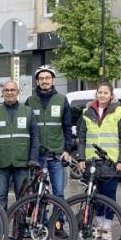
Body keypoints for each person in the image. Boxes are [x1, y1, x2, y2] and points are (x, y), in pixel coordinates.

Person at [75, 83, 121, 240]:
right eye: (100, 92)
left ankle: (107, 227)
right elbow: (82, 138)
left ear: (111, 95)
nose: (103, 95)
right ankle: (99, 226)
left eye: (106, 92)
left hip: (111, 161)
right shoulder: (87, 112)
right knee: (95, 195)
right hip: (92, 160)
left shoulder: (119, 112)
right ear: (96, 94)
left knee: (109, 195)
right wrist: (80, 158)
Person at [0, 80, 39, 237]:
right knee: (0, 196)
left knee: (22, 196)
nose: (9, 92)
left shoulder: (28, 111)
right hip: (1, 161)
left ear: (18, 92)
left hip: (22, 161)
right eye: (6, 90)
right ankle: (0, 224)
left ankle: (22, 226)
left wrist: (33, 158)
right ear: (2, 93)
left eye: (12, 90)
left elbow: (35, 136)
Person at [25, 65, 72, 200]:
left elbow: (67, 126)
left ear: (53, 80)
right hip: (37, 154)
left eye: (47, 78)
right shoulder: (30, 101)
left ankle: (60, 220)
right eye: (41, 78)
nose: (44, 81)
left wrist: (67, 150)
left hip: (56, 153)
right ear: (37, 81)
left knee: (58, 192)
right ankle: (42, 220)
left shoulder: (62, 99)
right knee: (37, 192)